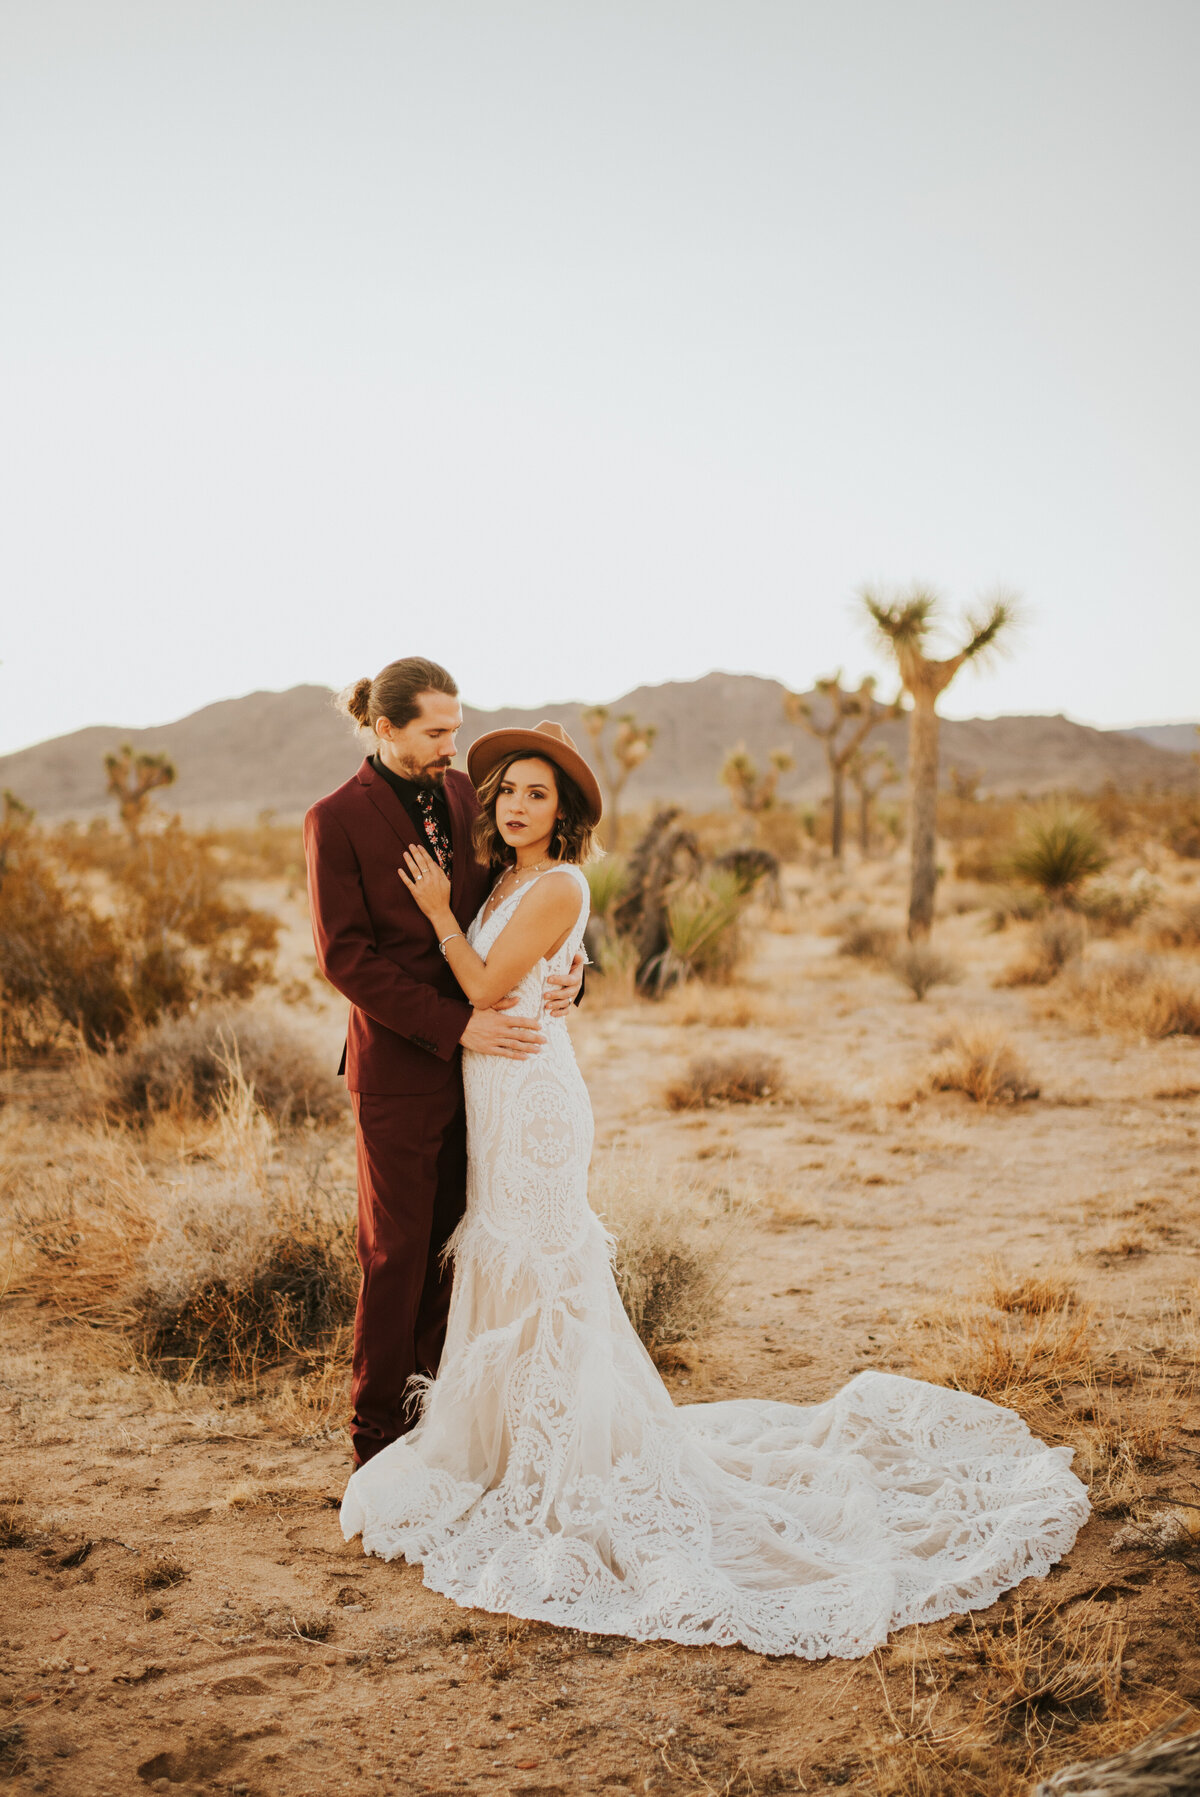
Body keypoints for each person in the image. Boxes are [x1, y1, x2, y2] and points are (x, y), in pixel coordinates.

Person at [340, 720, 1090, 1659]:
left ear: (565, 810)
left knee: (544, 1262)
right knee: (506, 1257)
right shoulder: (513, 878)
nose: (518, 804)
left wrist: (441, 915)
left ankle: (564, 1460)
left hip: (533, 1102)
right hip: (499, 1095)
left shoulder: (557, 881)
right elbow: (529, 969)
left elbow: (489, 981)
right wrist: (545, 961)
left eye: (538, 793)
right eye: (509, 792)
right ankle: (508, 1447)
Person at [303, 660, 584, 1470]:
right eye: (435, 733)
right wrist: (458, 1026)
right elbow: (345, 959)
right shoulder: (335, 820)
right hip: (400, 1070)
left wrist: (572, 962)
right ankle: (376, 1442)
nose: (450, 747)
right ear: (384, 729)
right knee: (394, 1254)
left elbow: (520, 901)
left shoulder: (468, 798)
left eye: (455, 731)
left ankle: (443, 1425)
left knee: (460, 1249)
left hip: (490, 1077)